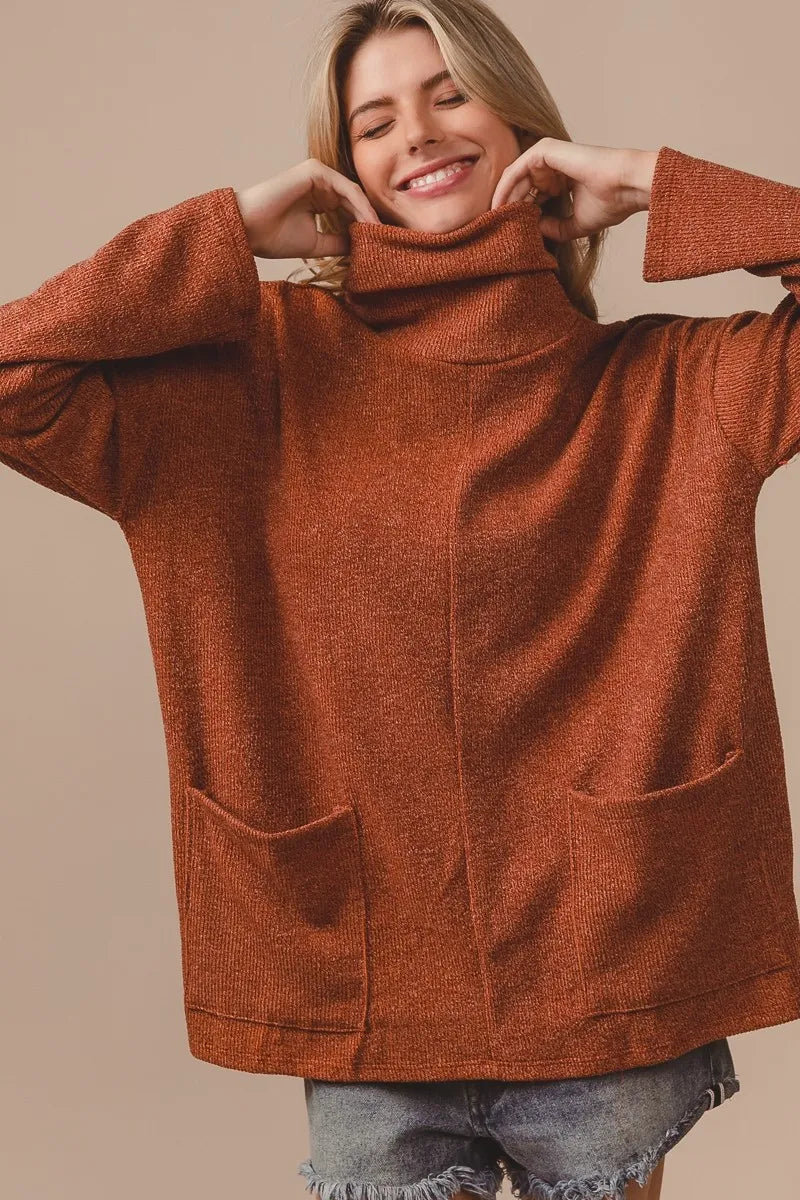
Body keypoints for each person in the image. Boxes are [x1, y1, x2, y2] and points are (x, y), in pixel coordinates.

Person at [4, 0, 799, 1198]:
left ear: (519, 121)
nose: (415, 134)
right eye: (371, 121)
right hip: (357, 972)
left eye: (447, 93)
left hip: (608, 960)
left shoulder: (672, 385)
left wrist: (652, 184)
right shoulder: (249, 378)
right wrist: (221, 234)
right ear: (342, 167)